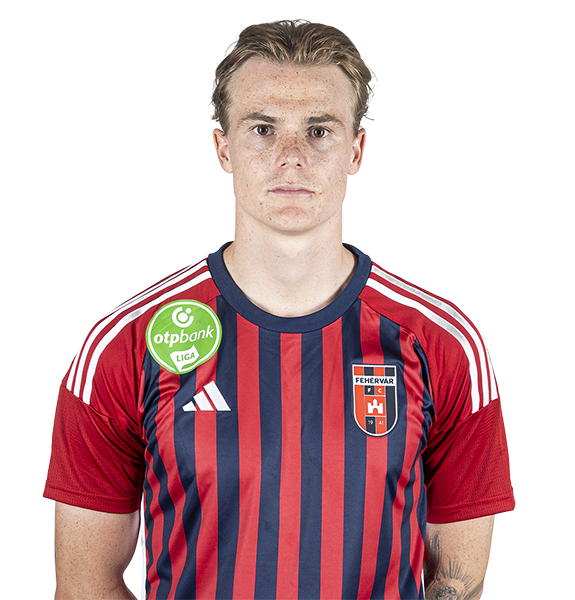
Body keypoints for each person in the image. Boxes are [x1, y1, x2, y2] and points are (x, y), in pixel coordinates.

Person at [45, 19, 515, 600]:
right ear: (223, 148)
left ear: (355, 151)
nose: (291, 158)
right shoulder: (124, 343)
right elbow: (85, 585)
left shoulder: (444, 343)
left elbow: (459, 581)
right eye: (263, 129)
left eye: (319, 130)